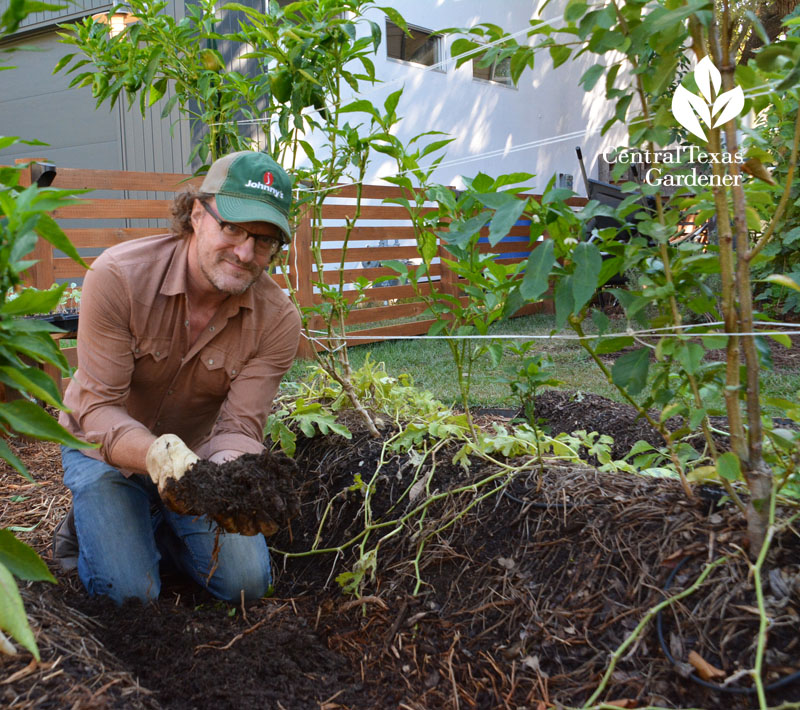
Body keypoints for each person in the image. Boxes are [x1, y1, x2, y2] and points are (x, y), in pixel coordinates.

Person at [53, 151, 301, 605]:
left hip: (198, 462)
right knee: (129, 594)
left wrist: (230, 478)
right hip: (104, 452)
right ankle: (96, 524)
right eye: (233, 228)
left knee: (246, 583)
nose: (246, 253)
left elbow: (240, 428)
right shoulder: (119, 277)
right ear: (196, 213)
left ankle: (150, 524)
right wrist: (156, 455)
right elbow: (97, 409)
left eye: (264, 241)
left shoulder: (278, 320)